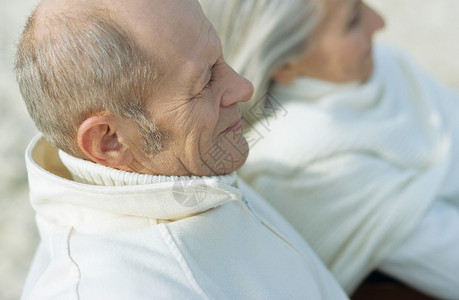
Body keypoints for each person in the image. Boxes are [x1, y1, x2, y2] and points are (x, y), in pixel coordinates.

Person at [15, 0, 350, 299]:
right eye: (205, 82)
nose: (244, 88)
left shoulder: (185, 172)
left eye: (221, 60)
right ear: (110, 141)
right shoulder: (102, 289)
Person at [199, 0, 459, 298]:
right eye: (352, 21)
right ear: (285, 65)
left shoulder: (380, 67)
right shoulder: (306, 164)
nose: (378, 22)